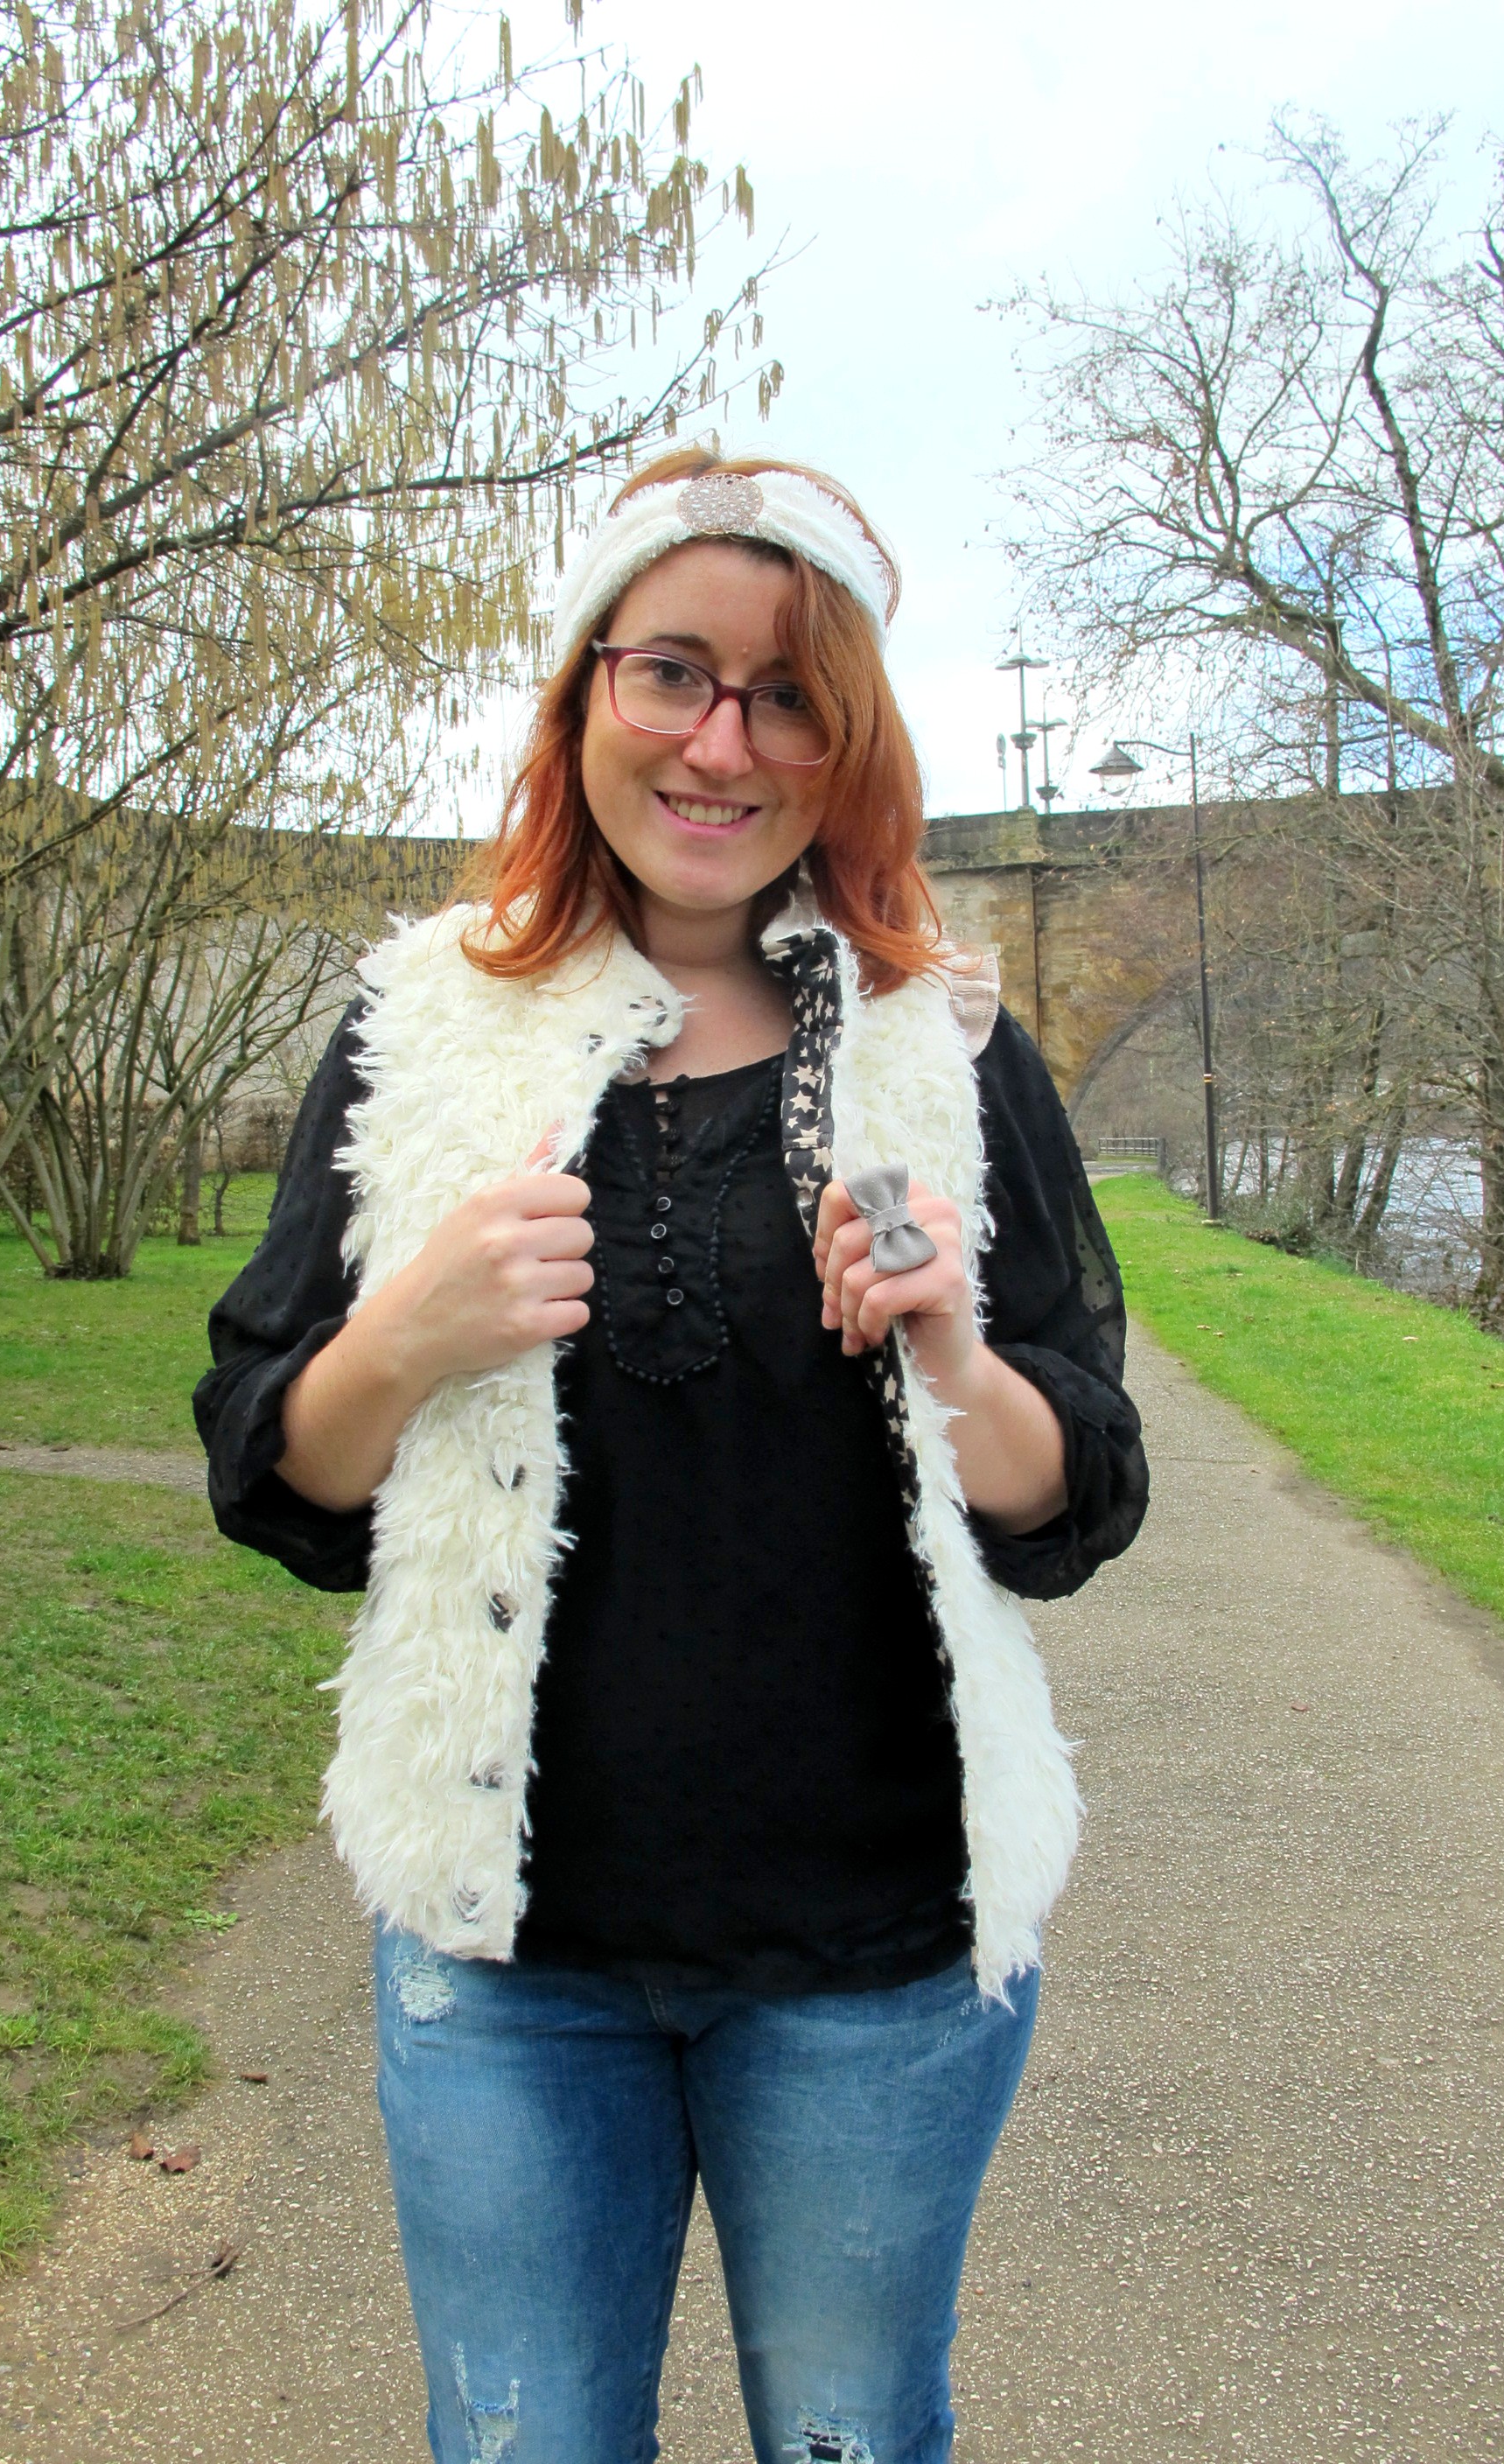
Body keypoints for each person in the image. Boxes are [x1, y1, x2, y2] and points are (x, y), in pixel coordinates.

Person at [194, 448, 1148, 2464]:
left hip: (878, 1958)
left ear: (847, 742)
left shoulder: (944, 1043)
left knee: (854, 2433)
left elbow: (1076, 1493)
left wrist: (959, 1355)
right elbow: (274, 1470)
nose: (722, 743)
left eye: (788, 694)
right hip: (507, 1961)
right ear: (585, 693)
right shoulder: (421, 1027)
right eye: (675, 675)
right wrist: (408, 1332)